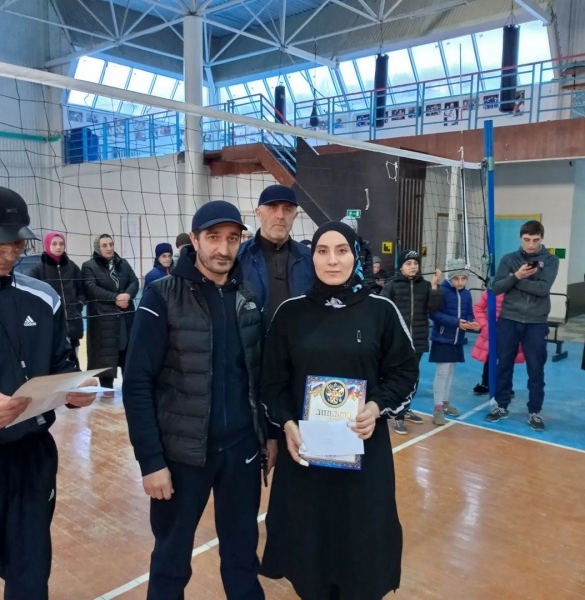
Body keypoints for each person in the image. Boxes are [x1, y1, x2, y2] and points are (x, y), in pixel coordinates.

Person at [122, 201, 275, 600]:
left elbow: (257, 375)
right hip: (182, 455)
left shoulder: (247, 295)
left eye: (233, 238)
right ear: (194, 239)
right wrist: (151, 461)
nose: (223, 249)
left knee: (242, 556)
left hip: (241, 449)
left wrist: (268, 435)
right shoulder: (161, 296)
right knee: (171, 560)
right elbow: (136, 383)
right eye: (213, 237)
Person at [260, 221, 418, 600]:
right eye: (323, 251)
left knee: (361, 549)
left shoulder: (380, 310)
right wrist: (286, 423)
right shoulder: (290, 313)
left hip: (363, 454)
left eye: (341, 250)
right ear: (311, 258)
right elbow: (271, 382)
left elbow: (404, 373)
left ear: (355, 256)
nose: (332, 260)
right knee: (310, 552)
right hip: (305, 457)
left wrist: (376, 406)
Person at [0, 185, 96, 599]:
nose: (9, 253)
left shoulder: (41, 297)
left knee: (30, 580)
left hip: (31, 460)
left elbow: (61, 362)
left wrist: (76, 385)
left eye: (17, 244)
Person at [485, 220, 559, 431]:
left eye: (535, 240)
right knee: (504, 364)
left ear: (541, 238)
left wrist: (514, 280)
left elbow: (543, 289)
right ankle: (501, 406)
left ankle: (534, 411)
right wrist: (517, 275)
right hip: (509, 319)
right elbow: (497, 287)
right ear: (521, 238)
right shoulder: (509, 259)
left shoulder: (550, 260)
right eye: (527, 240)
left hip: (536, 322)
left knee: (536, 368)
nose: (531, 245)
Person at [381, 249, 444, 434]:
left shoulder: (425, 286)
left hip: (418, 340)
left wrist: (435, 285)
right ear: (401, 266)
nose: (413, 266)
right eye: (408, 263)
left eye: (415, 263)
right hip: (397, 342)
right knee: (397, 378)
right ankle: (398, 415)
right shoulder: (391, 286)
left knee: (413, 378)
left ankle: (405, 409)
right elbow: (382, 312)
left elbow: (434, 308)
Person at [238, 184, 314, 323]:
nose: (280, 216)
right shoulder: (238, 257)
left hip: (298, 336)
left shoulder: (310, 259)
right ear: (258, 213)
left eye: (287, 209)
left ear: (295, 216)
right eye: (273, 208)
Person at [82, 234, 139, 396]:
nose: (109, 248)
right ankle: (107, 389)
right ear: (97, 248)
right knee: (105, 355)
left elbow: (134, 281)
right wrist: (115, 298)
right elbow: (91, 288)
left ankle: (129, 386)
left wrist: (128, 295)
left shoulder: (123, 263)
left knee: (126, 351)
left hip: (125, 315)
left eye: (111, 244)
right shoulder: (89, 266)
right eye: (104, 245)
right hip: (103, 319)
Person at [429, 259, 479, 426]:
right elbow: (434, 315)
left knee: (450, 372)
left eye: (463, 278)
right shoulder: (442, 291)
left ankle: (444, 402)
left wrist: (471, 323)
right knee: (442, 372)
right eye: (456, 278)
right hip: (442, 338)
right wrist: (457, 322)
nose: (460, 282)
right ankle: (437, 408)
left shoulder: (467, 294)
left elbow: (469, 313)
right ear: (450, 278)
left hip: (457, 339)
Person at [29, 231, 85, 368]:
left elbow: (82, 290)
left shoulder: (72, 267)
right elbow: (31, 297)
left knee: (74, 362)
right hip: (51, 325)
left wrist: (78, 305)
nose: (58, 247)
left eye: (61, 244)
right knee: (55, 363)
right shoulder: (38, 270)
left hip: (72, 323)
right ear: (47, 245)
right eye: (54, 244)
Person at [471, 289, 523, 396]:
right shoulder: (491, 291)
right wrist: (484, 325)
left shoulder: (519, 291)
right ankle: (486, 383)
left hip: (511, 330)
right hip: (492, 330)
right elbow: (478, 307)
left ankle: (506, 386)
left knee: (508, 358)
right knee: (489, 356)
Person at [340, 215, 375, 291]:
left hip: (359, 289)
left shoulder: (364, 248)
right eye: (346, 228)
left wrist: (365, 290)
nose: (349, 232)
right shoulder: (334, 246)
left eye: (352, 229)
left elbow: (368, 273)